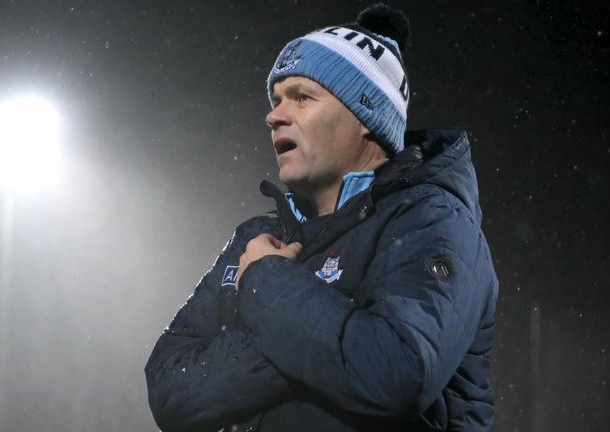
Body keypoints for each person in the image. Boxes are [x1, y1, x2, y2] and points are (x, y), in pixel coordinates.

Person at [145, 4, 498, 431]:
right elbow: (170, 390)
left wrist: (266, 283)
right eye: (276, 100)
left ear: (365, 115)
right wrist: (322, 343)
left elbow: (394, 373)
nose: (274, 115)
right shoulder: (256, 236)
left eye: (302, 97)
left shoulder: (432, 219)